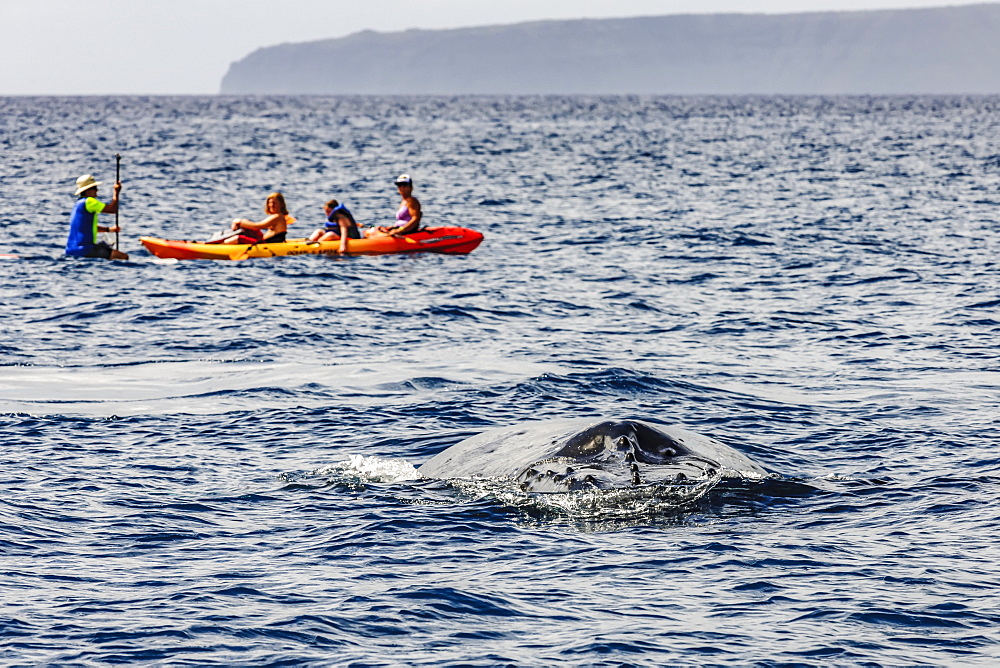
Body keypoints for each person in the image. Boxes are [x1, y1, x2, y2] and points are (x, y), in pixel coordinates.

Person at [65, 174, 129, 260]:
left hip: (71, 250)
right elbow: (112, 209)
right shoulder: (90, 201)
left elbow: (87, 227)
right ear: (88, 191)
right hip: (85, 249)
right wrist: (116, 192)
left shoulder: (78, 204)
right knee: (123, 257)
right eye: (94, 188)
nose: (97, 190)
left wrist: (109, 230)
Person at [210, 192, 294, 244]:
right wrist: (242, 223)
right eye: (270, 203)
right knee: (247, 229)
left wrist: (240, 222)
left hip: (266, 244)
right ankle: (215, 242)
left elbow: (257, 226)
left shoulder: (278, 216)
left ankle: (219, 247)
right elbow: (255, 227)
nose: (271, 205)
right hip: (264, 241)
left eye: (275, 203)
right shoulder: (277, 216)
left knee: (238, 238)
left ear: (281, 204)